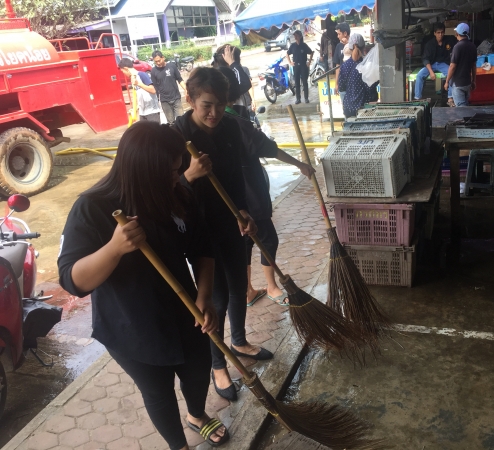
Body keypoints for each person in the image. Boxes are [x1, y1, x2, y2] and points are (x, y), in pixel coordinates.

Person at [57, 121, 229, 448]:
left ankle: (196, 415)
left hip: (186, 313)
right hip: (132, 327)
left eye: (177, 169)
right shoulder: (92, 207)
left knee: (198, 371)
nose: (177, 177)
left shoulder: (176, 194)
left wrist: (205, 295)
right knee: (158, 391)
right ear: (145, 171)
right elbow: (73, 280)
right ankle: (178, 445)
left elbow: (202, 248)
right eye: (170, 172)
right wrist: (114, 248)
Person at [175, 68, 272, 403]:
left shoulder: (230, 127)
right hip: (199, 232)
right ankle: (218, 364)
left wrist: (243, 210)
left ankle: (239, 341)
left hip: (230, 221)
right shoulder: (177, 135)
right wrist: (189, 175)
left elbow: (234, 177)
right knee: (216, 299)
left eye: (220, 104)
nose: (214, 112)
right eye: (207, 105)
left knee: (238, 285)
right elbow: (163, 194)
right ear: (190, 99)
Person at [214, 67, 315, 306]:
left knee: (245, 241)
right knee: (267, 238)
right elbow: (269, 148)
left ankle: (247, 290)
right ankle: (271, 286)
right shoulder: (236, 123)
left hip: (230, 197)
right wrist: (300, 164)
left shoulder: (221, 121)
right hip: (249, 193)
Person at [414, 22, 457, 105]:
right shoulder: (429, 44)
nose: (440, 35)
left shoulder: (449, 40)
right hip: (431, 64)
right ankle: (417, 98)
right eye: (438, 33)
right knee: (419, 75)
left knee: (451, 74)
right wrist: (431, 72)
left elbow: (458, 44)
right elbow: (425, 59)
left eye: (442, 32)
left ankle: (450, 98)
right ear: (434, 33)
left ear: (444, 32)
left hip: (443, 64)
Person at [338, 34, 372, 118]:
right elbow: (370, 88)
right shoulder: (366, 65)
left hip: (348, 108)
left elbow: (341, 87)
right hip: (365, 109)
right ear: (363, 47)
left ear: (349, 48)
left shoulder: (344, 66)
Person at [118, 58, 161, 122]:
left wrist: (138, 84)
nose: (124, 74)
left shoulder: (141, 75)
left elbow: (153, 90)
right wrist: (135, 108)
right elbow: (140, 95)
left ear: (126, 69)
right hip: (143, 113)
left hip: (152, 112)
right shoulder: (133, 78)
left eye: (123, 71)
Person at [445, 23, 477, 107]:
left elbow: (452, 66)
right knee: (465, 105)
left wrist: (447, 81)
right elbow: (473, 66)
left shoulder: (457, 47)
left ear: (457, 34)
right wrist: (474, 81)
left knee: (461, 109)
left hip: (458, 84)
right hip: (467, 83)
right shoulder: (472, 46)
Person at [150, 51, 187, 125]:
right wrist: (157, 101)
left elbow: (179, 79)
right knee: (171, 123)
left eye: (159, 60)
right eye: (156, 62)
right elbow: (155, 87)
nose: (158, 63)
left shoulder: (172, 66)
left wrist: (186, 89)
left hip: (176, 98)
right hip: (164, 101)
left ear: (163, 58)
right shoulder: (153, 71)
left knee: (181, 121)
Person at [286, 30, 314, 104]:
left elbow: (311, 52)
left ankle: (306, 98)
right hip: (296, 66)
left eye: (296, 35)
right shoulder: (293, 46)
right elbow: (287, 54)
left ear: (300, 36)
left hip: (303, 66)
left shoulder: (304, 45)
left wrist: (309, 62)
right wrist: (290, 62)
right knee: (297, 83)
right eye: (294, 35)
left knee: (305, 82)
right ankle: (298, 99)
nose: (295, 37)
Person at [333, 22, 351, 101]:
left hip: (353, 82)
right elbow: (337, 66)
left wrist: (348, 44)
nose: (338, 36)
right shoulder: (338, 46)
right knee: (345, 106)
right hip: (343, 82)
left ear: (345, 33)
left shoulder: (354, 44)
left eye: (339, 34)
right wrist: (336, 83)